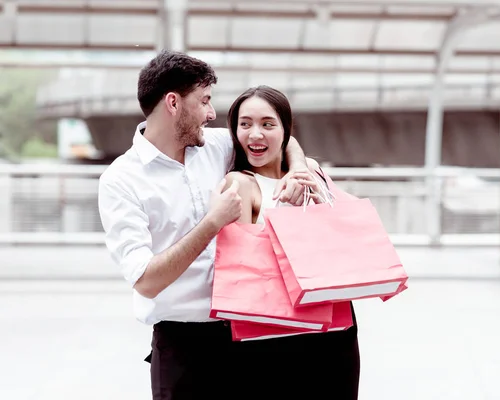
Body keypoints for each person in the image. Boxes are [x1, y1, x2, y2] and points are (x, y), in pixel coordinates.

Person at [97, 50, 314, 400]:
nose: (212, 114)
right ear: (173, 103)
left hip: (248, 334)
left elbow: (278, 140)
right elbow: (145, 281)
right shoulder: (121, 180)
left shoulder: (214, 145)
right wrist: (212, 223)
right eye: (205, 101)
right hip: (181, 347)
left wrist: (300, 167)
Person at [222, 85, 361, 399]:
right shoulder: (240, 183)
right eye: (245, 124)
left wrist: (299, 169)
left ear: (285, 131)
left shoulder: (309, 171)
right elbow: (242, 268)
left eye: (268, 124)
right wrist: (286, 212)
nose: (255, 134)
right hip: (274, 331)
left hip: (334, 325)